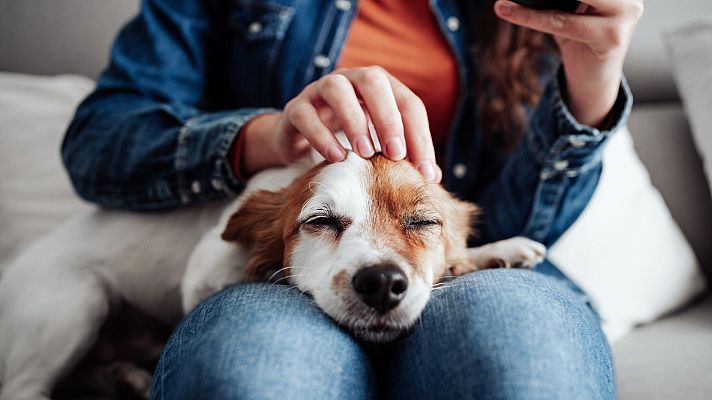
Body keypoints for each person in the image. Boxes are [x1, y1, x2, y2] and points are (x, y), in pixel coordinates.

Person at [62, 0, 642, 398]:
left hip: (458, 274)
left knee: (522, 356)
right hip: (281, 284)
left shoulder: (526, 11)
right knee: (255, 372)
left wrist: (592, 81)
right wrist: (267, 136)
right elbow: (97, 142)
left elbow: (512, 227)